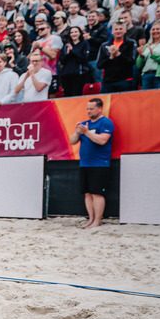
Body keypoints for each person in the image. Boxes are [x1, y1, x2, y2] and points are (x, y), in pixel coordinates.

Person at [69, 97, 114, 229]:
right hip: (85, 163)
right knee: (87, 193)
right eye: (87, 109)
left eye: (91, 108)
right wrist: (77, 133)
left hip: (99, 163)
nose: (88, 111)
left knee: (97, 193)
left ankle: (97, 221)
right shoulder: (84, 124)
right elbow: (72, 141)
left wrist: (86, 132)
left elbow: (102, 140)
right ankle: (91, 219)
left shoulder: (106, 122)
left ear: (100, 108)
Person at [97, 20, 138, 93]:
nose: (118, 31)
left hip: (125, 81)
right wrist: (111, 57)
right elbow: (99, 65)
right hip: (108, 82)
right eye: (116, 29)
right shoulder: (104, 45)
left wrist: (118, 54)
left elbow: (132, 61)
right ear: (112, 31)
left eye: (120, 29)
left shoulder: (131, 43)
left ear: (125, 30)